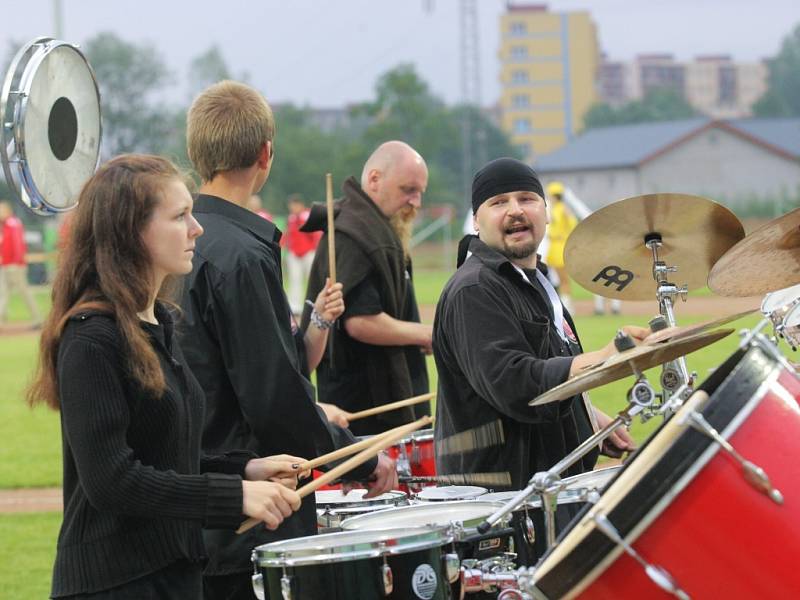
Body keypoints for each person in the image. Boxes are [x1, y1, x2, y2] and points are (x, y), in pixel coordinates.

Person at [26, 154, 305, 599]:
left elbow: (164, 455)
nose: (197, 228)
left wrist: (245, 468)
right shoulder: (91, 339)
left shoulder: (159, 323)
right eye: (180, 216)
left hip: (173, 571)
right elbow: (112, 480)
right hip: (116, 582)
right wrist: (232, 497)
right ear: (132, 232)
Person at [180, 80, 397, 599]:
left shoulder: (177, 239)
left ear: (196, 153)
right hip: (249, 515)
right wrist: (362, 456)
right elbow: (273, 398)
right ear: (266, 154)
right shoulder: (240, 254)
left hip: (194, 500)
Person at [433, 158, 645, 552]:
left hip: (547, 492)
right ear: (476, 221)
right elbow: (514, 382)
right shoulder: (475, 289)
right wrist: (605, 357)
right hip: (500, 510)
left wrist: (588, 414)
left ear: (545, 214)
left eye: (527, 198)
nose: (515, 209)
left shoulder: (535, 281)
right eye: (499, 202)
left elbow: (550, 359)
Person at [301, 141, 432, 436]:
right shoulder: (354, 234)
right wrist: (425, 333)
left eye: (420, 192)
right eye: (408, 190)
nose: (416, 202)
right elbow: (360, 322)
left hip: (380, 398)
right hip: (364, 405)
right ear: (374, 179)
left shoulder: (372, 226)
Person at [0, 201, 42, 327]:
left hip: (14, 266)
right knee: (4, 293)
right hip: (7, 265)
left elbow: (18, 245)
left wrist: (16, 262)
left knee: (23, 292)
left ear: (7, 211)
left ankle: (37, 319)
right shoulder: (6, 225)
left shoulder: (13, 224)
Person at [284, 194, 322, 315]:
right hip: (294, 253)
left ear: (300, 205)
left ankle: (316, 305)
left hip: (308, 252)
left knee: (313, 279)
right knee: (295, 279)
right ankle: (295, 306)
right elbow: (289, 235)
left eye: (294, 205)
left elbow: (315, 234)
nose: (292, 208)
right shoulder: (291, 218)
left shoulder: (307, 215)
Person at [544, 181, 578, 313]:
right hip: (553, 246)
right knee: (553, 278)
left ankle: (567, 307)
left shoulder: (562, 208)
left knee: (563, 279)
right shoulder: (554, 208)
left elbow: (572, 224)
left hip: (560, 246)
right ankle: (560, 304)